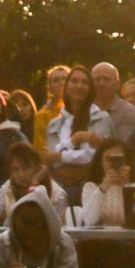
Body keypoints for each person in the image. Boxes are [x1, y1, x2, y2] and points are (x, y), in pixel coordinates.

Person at [47, 66, 112, 204]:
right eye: (74, 81)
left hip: (92, 189)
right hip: (60, 191)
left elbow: (100, 156)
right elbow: (51, 159)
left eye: (84, 82)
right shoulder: (54, 124)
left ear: (90, 89)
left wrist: (65, 159)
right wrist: (76, 139)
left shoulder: (102, 119)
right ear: (67, 87)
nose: (79, 86)